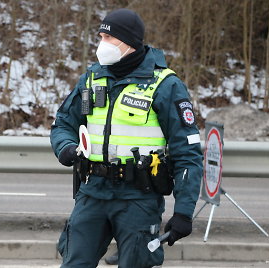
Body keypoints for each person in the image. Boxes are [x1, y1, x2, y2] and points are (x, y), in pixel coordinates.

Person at [50, 8, 203, 268]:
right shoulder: (92, 78)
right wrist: (66, 147)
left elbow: (187, 152)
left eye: (109, 39)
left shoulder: (165, 85)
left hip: (138, 198)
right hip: (92, 192)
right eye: (101, 37)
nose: (102, 44)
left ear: (130, 43)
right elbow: (63, 123)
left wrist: (184, 211)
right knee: (73, 263)